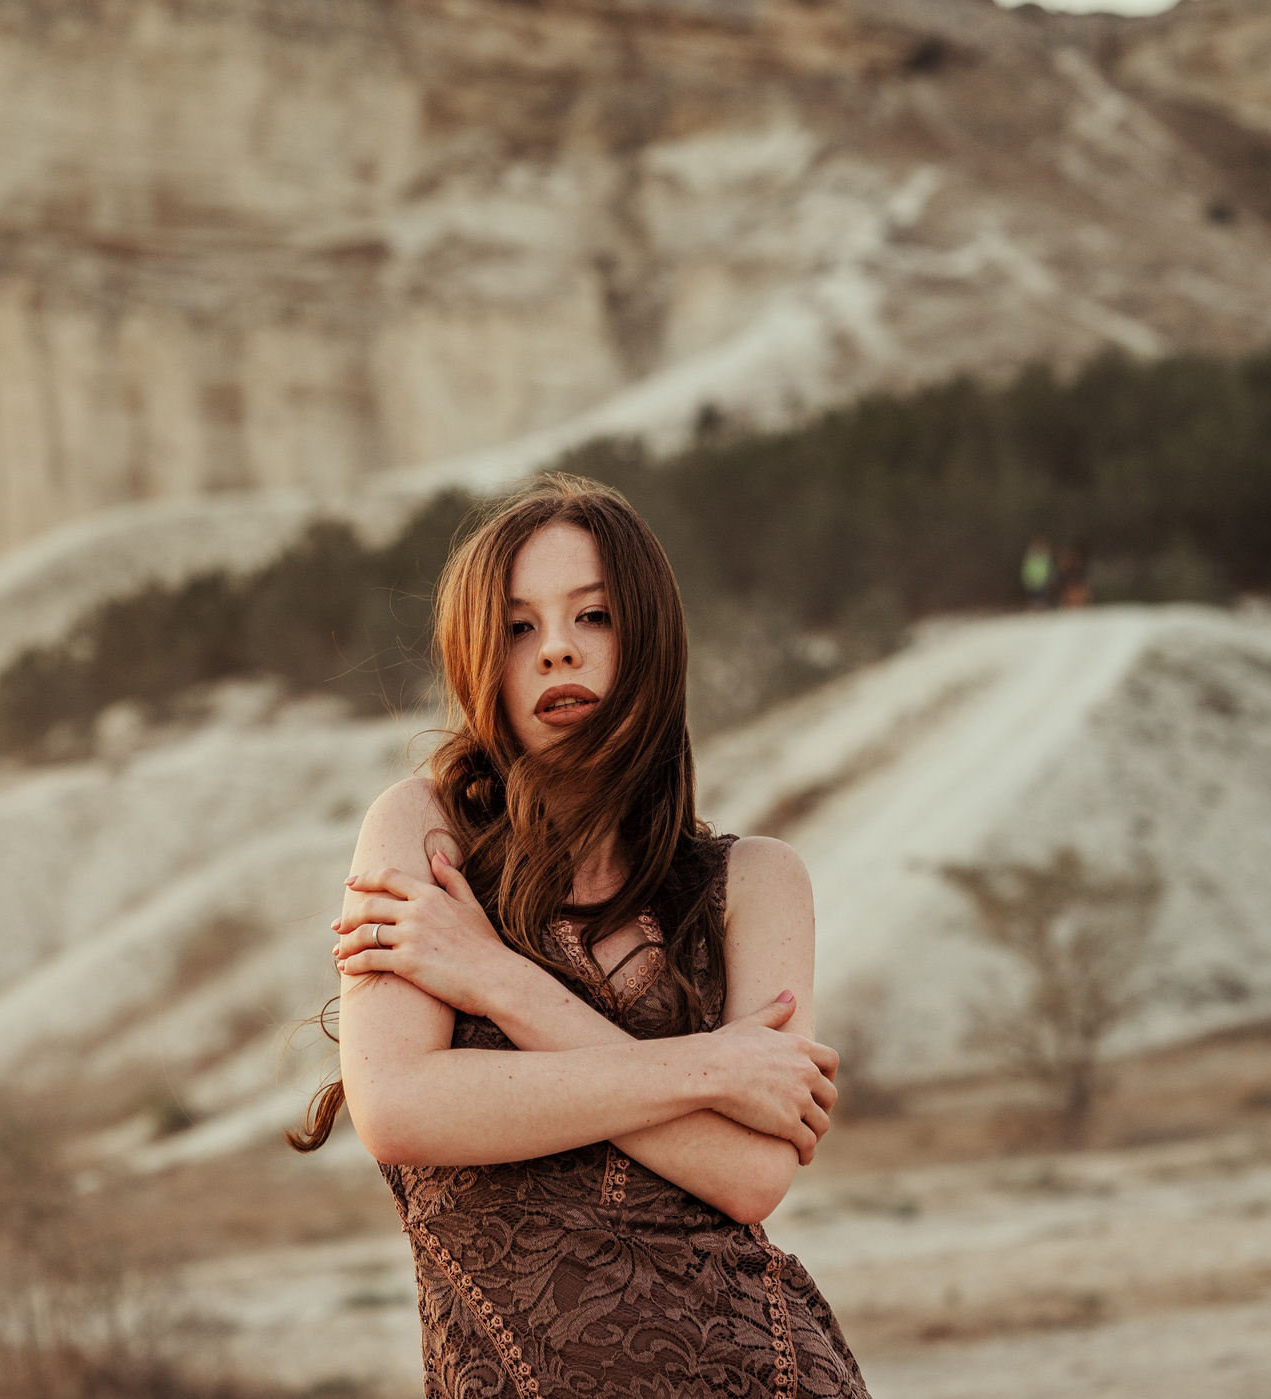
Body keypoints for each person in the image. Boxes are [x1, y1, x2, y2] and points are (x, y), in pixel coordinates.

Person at [292, 474, 866, 1398]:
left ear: (648, 638)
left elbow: (753, 1174)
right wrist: (715, 1067)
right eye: (519, 628)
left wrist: (499, 984)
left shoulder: (754, 882)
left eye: (593, 616)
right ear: (484, 656)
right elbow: (399, 1108)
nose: (557, 650)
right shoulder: (424, 834)